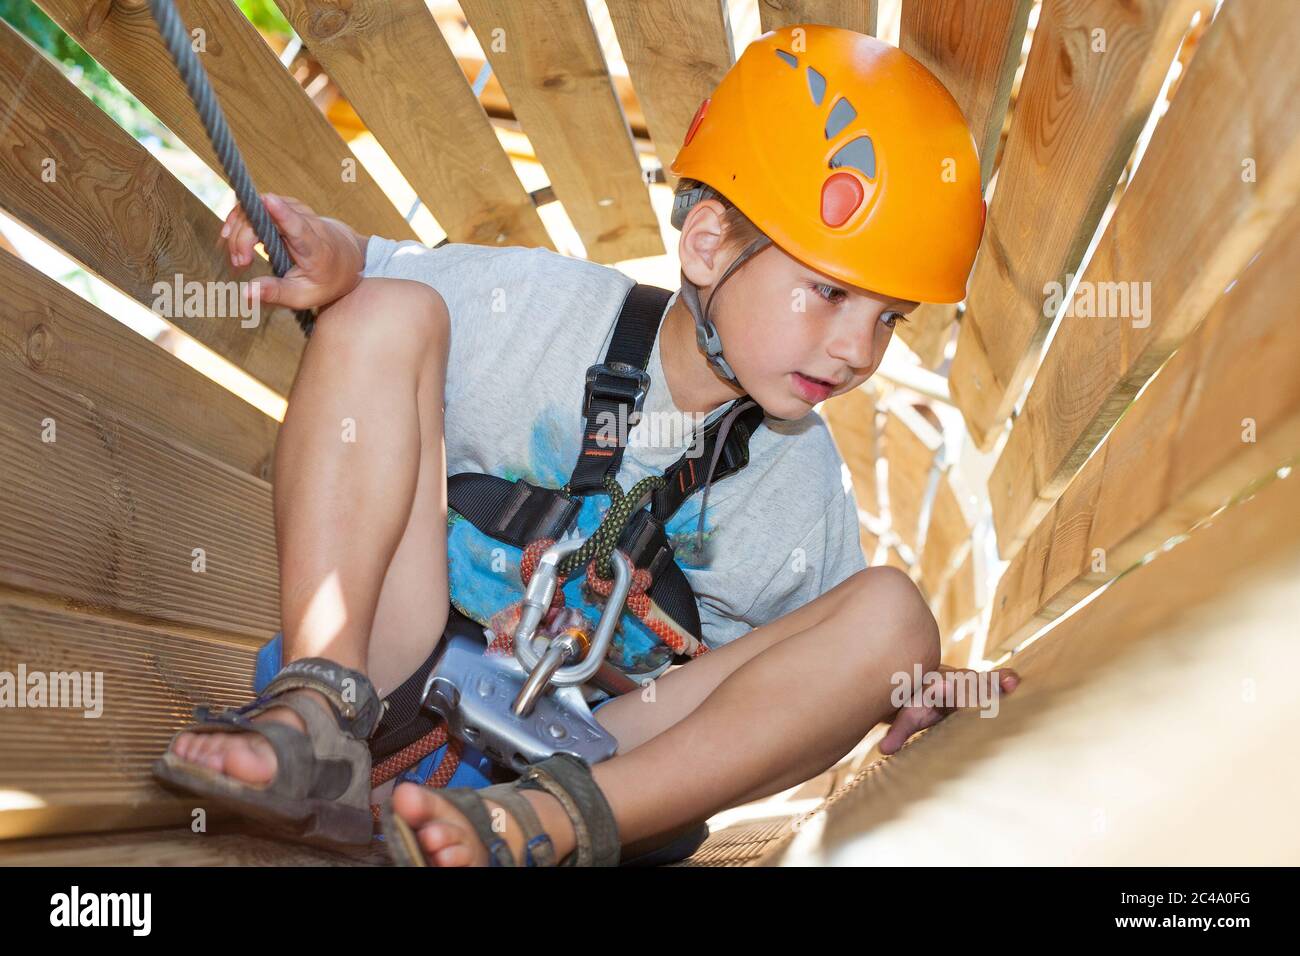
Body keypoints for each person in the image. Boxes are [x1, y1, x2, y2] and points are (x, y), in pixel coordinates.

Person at [153, 24, 1018, 867]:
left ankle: (538, 826)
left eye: (888, 320)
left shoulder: (801, 492)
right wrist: (333, 255)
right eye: (829, 293)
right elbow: (377, 266)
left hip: (597, 757)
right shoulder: (540, 313)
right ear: (710, 243)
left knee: (893, 615)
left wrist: (916, 682)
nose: (858, 350)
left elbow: (823, 664)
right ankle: (315, 712)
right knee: (382, 313)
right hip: (397, 681)